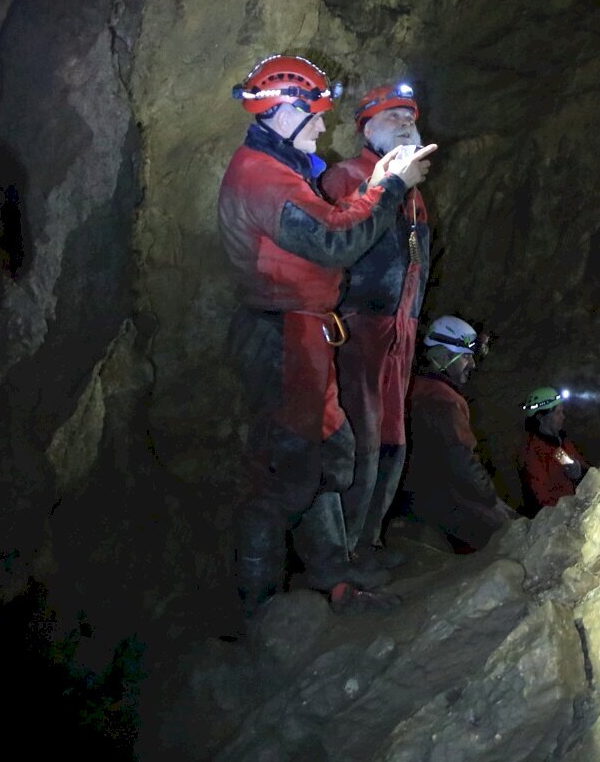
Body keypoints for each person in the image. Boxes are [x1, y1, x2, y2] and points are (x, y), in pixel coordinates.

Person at [216, 54, 433, 614]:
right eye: (313, 114)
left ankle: (334, 580)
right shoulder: (264, 179)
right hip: (281, 335)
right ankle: (262, 611)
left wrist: (382, 187)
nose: (321, 125)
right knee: (286, 476)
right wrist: (387, 187)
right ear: (283, 112)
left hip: (302, 331)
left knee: (327, 456)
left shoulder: (282, 169)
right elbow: (333, 241)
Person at [319, 83, 432, 566]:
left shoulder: (414, 196)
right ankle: (340, 556)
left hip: (398, 333)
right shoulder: (346, 178)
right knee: (358, 440)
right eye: (392, 117)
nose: (405, 123)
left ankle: (368, 543)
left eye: (410, 117)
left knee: (391, 439)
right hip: (358, 330)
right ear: (367, 129)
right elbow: (333, 246)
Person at [401, 315, 516, 551]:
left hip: (416, 493)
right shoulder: (443, 400)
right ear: (443, 356)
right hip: (436, 497)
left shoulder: (415, 386)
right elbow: (462, 464)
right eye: (465, 356)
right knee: (509, 532)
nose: (472, 364)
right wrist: (491, 500)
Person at [517, 386, 588, 514]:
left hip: (576, 510)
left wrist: (579, 473)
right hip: (560, 518)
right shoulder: (532, 454)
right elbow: (542, 501)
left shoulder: (557, 443)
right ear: (541, 417)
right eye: (558, 413)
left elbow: (581, 472)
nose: (563, 417)